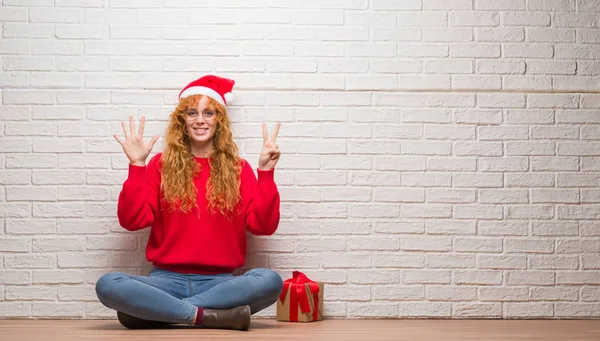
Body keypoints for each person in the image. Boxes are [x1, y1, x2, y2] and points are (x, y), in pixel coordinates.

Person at [95, 75, 283, 331]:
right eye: (192, 113)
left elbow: (263, 226)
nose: (200, 120)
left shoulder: (238, 169)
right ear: (182, 121)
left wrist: (265, 173)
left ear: (219, 120)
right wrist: (137, 166)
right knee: (109, 284)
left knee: (269, 280)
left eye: (209, 112)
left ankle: (160, 311)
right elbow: (131, 220)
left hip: (220, 283)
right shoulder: (160, 165)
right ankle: (206, 317)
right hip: (165, 280)